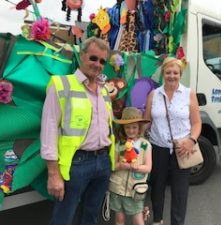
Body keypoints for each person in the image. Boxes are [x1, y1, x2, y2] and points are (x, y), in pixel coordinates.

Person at [40, 37, 116, 225]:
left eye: (102, 61)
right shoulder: (61, 85)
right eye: (93, 58)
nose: (97, 64)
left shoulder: (104, 90)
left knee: (91, 216)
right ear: (81, 56)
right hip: (76, 164)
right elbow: (48, 130)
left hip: (103, 161)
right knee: (63, 218)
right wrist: (53, 173)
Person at [144, 57, 202, 225]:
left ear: (180, 74)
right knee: (157, 187)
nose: (171, 76)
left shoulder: (188, 93)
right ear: (163, 73)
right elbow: (146, 122)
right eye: (168, 72)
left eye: (175, 73)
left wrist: (191, 140)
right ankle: (157, 220)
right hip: (158, 147)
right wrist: (133, 136)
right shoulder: (154, 94)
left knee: (180, 191)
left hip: (182, 148)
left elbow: (197, 123)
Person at [109, 107, 152, 225]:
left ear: (139, 128)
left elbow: (148, 168)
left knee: (138, 220)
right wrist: (122, 165)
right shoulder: (119, 144)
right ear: (123, 128)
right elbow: (112, 166)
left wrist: (136, 167)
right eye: (127, 127)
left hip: (136, 189)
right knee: (119, 220)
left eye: (134, 127)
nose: (131, 130)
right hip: (117, 188)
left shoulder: (145, 145)